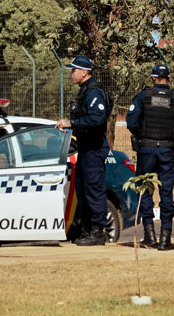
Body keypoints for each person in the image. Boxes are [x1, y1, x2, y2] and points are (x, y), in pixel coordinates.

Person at [126, 65, 174, 250]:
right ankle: (166, 238)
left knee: (145, 189)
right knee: (166, 192)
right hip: (167, 150)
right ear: (169, 79)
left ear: (153, 78)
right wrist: (171, 128)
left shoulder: (143, 97)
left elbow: (131, 122)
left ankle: (150, 236)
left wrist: (145, 134)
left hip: (147, 149)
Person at [56, 56, 112, 246]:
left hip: (94, 148)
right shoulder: (85, 92)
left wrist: (71, 123)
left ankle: (97, 232)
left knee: (94, 189)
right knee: (83, 189)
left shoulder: (93, 93)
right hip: (86, 147)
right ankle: (86, 229)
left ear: (84, 72)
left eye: (74, 70)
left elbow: (98, 119)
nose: (72, 73)